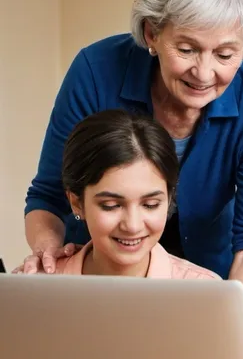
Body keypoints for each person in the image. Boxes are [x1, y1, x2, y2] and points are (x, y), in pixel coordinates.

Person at [21, 0, 243, 316]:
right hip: (94, 276)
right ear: (152, 33)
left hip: (202, 277)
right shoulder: (95, 72)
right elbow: (49, 194)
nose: (205, 74)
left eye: (225, 55)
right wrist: (51, 261)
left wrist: (230, 324)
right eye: (188, 49)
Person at [51, 109, 218, 280]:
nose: (132, 226)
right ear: (77, 203)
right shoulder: (34, 287)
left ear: (169, 199)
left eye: (150, 204)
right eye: (111, 205)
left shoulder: (205, 290)